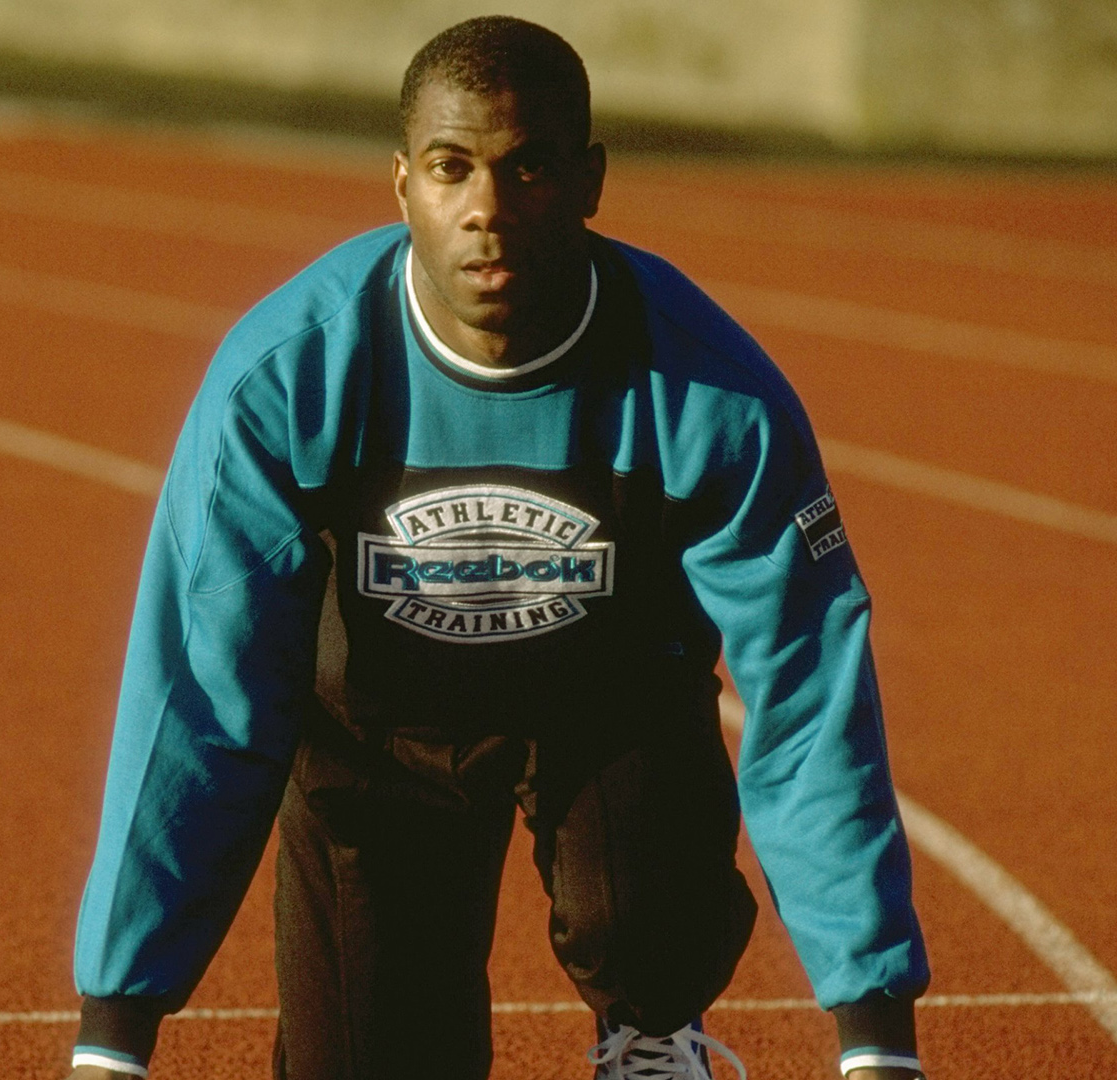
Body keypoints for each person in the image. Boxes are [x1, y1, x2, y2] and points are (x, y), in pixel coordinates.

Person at [68, 16, 928, 1080]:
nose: (487, 210)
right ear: (401, 186)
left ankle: (654, 1032)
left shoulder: (714, 396)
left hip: (608, 711)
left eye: (528, 169)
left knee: (643, 904)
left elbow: (806, 698)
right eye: (451, 169)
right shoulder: (286, 378)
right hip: (377, 734)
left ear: (589, 180)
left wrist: (877, 1039)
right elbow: (201, 693)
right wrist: (115, 1037)